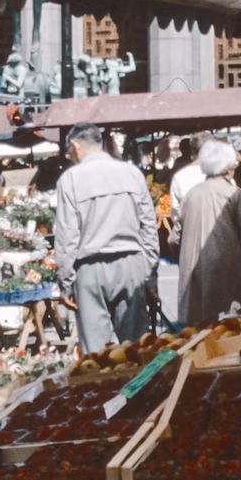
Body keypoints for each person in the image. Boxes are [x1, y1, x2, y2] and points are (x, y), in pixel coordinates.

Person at [54, 121, 155, 352]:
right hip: (130, 265)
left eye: (69, 152)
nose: (70, 157)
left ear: (76, 145)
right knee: (138, 348)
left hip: (89, 269)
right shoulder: (132, 173)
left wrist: (65, 282)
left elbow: (67, 236)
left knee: (96, 353)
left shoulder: (70, 179)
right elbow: (148, 227)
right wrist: (150, 275)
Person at [170, 140, 241, 327]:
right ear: (228, 168)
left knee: (197, 336)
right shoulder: (235, 195)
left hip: (194, 285)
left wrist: (187, 261)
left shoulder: (190, 196)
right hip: (229, 282)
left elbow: (174, 239)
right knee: (230, 332)